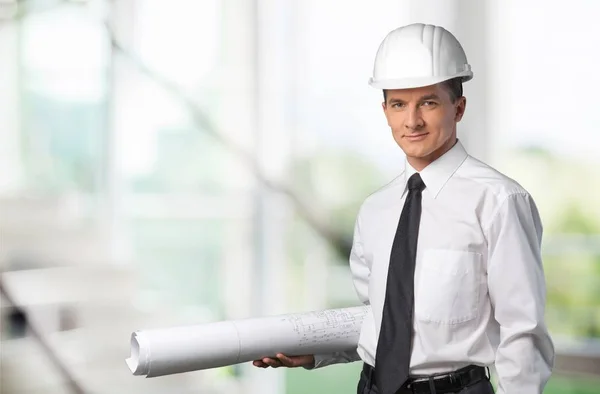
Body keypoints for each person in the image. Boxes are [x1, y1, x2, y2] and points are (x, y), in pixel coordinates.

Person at [253, 23, 554, 394]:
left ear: (458, 108)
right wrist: (317, 351)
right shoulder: (375, 210)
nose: (412, 121)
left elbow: (523, 333)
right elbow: (385, 318)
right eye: (399, 104)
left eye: (428, 102)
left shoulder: (499, 202)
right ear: (385, 111)